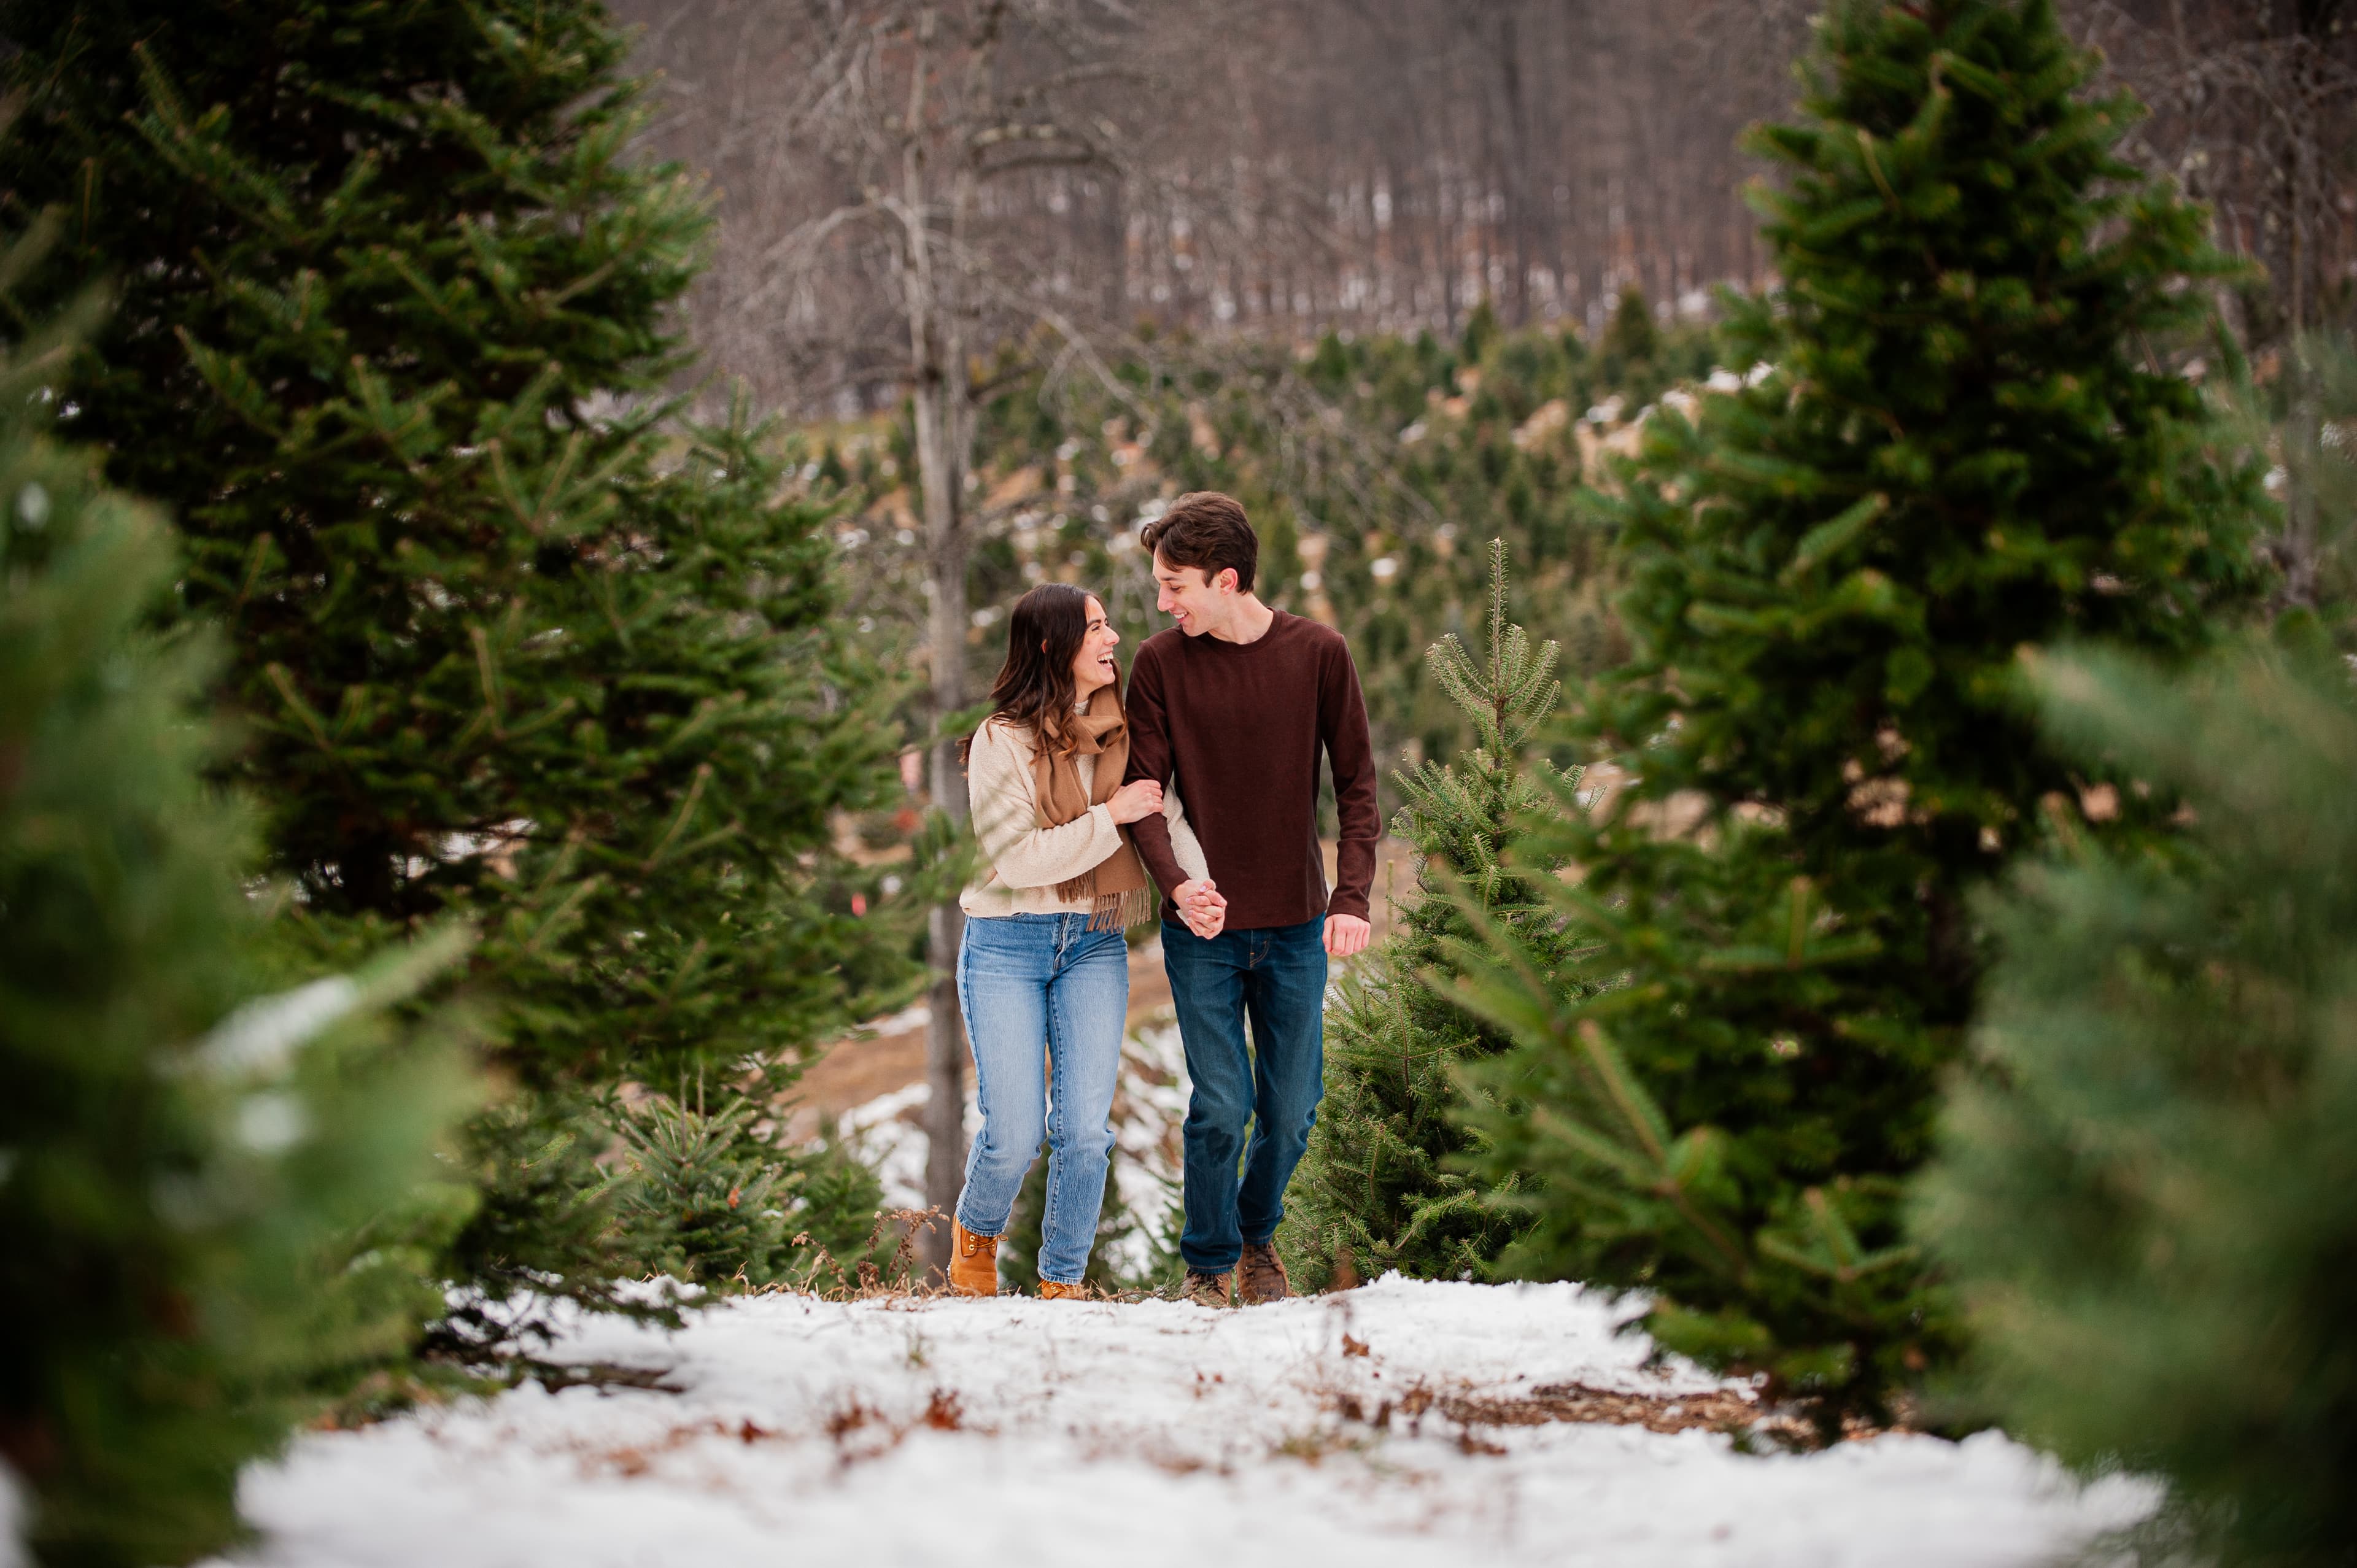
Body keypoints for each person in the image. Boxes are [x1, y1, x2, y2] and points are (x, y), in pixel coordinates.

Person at [1123, 492, 1379, 1308]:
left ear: (1226, 578)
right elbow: (1143, 791)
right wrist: (1177, 884)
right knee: (1222, 1105)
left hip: (1300, 923)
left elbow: (1358, 788)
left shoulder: (1319, 653)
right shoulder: (1160, 664)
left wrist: (1353, 897)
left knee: (1296, 1106)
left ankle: (1255, 1234)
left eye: (1175, 584)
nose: (1164, 602)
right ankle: (1208, 1263)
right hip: (1203, 931)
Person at [949, 582, 1215, 1299]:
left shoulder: (1120, 729)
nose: (1112, 639)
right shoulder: (999, 741)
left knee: (1086, 1132)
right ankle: (975, 1233)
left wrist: (1195, 886)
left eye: (1109, 624)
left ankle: (1060, 1283)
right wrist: (1113, 816)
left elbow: (1169, 812)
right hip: (1005, 942)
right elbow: (1020, 859)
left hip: (1095, 937)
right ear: (1050, 646)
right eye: (1095, 627)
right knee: (1013, 1132)